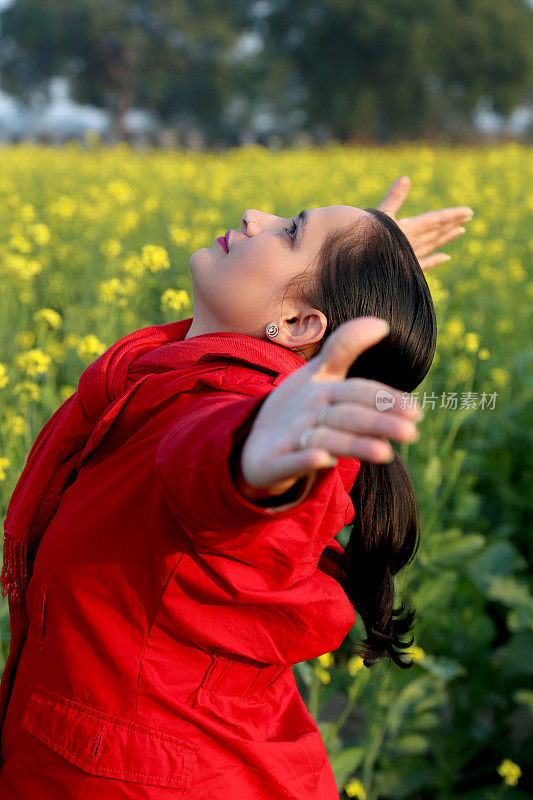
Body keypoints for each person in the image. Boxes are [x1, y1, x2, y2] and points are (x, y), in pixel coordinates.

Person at [0, 176, 473, 799]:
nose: (255, 216)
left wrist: (252, 449)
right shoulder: (182, 377)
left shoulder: (240, 418)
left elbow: (209, 464)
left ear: (300, 321)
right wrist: (366, 268)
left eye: (292, 230)